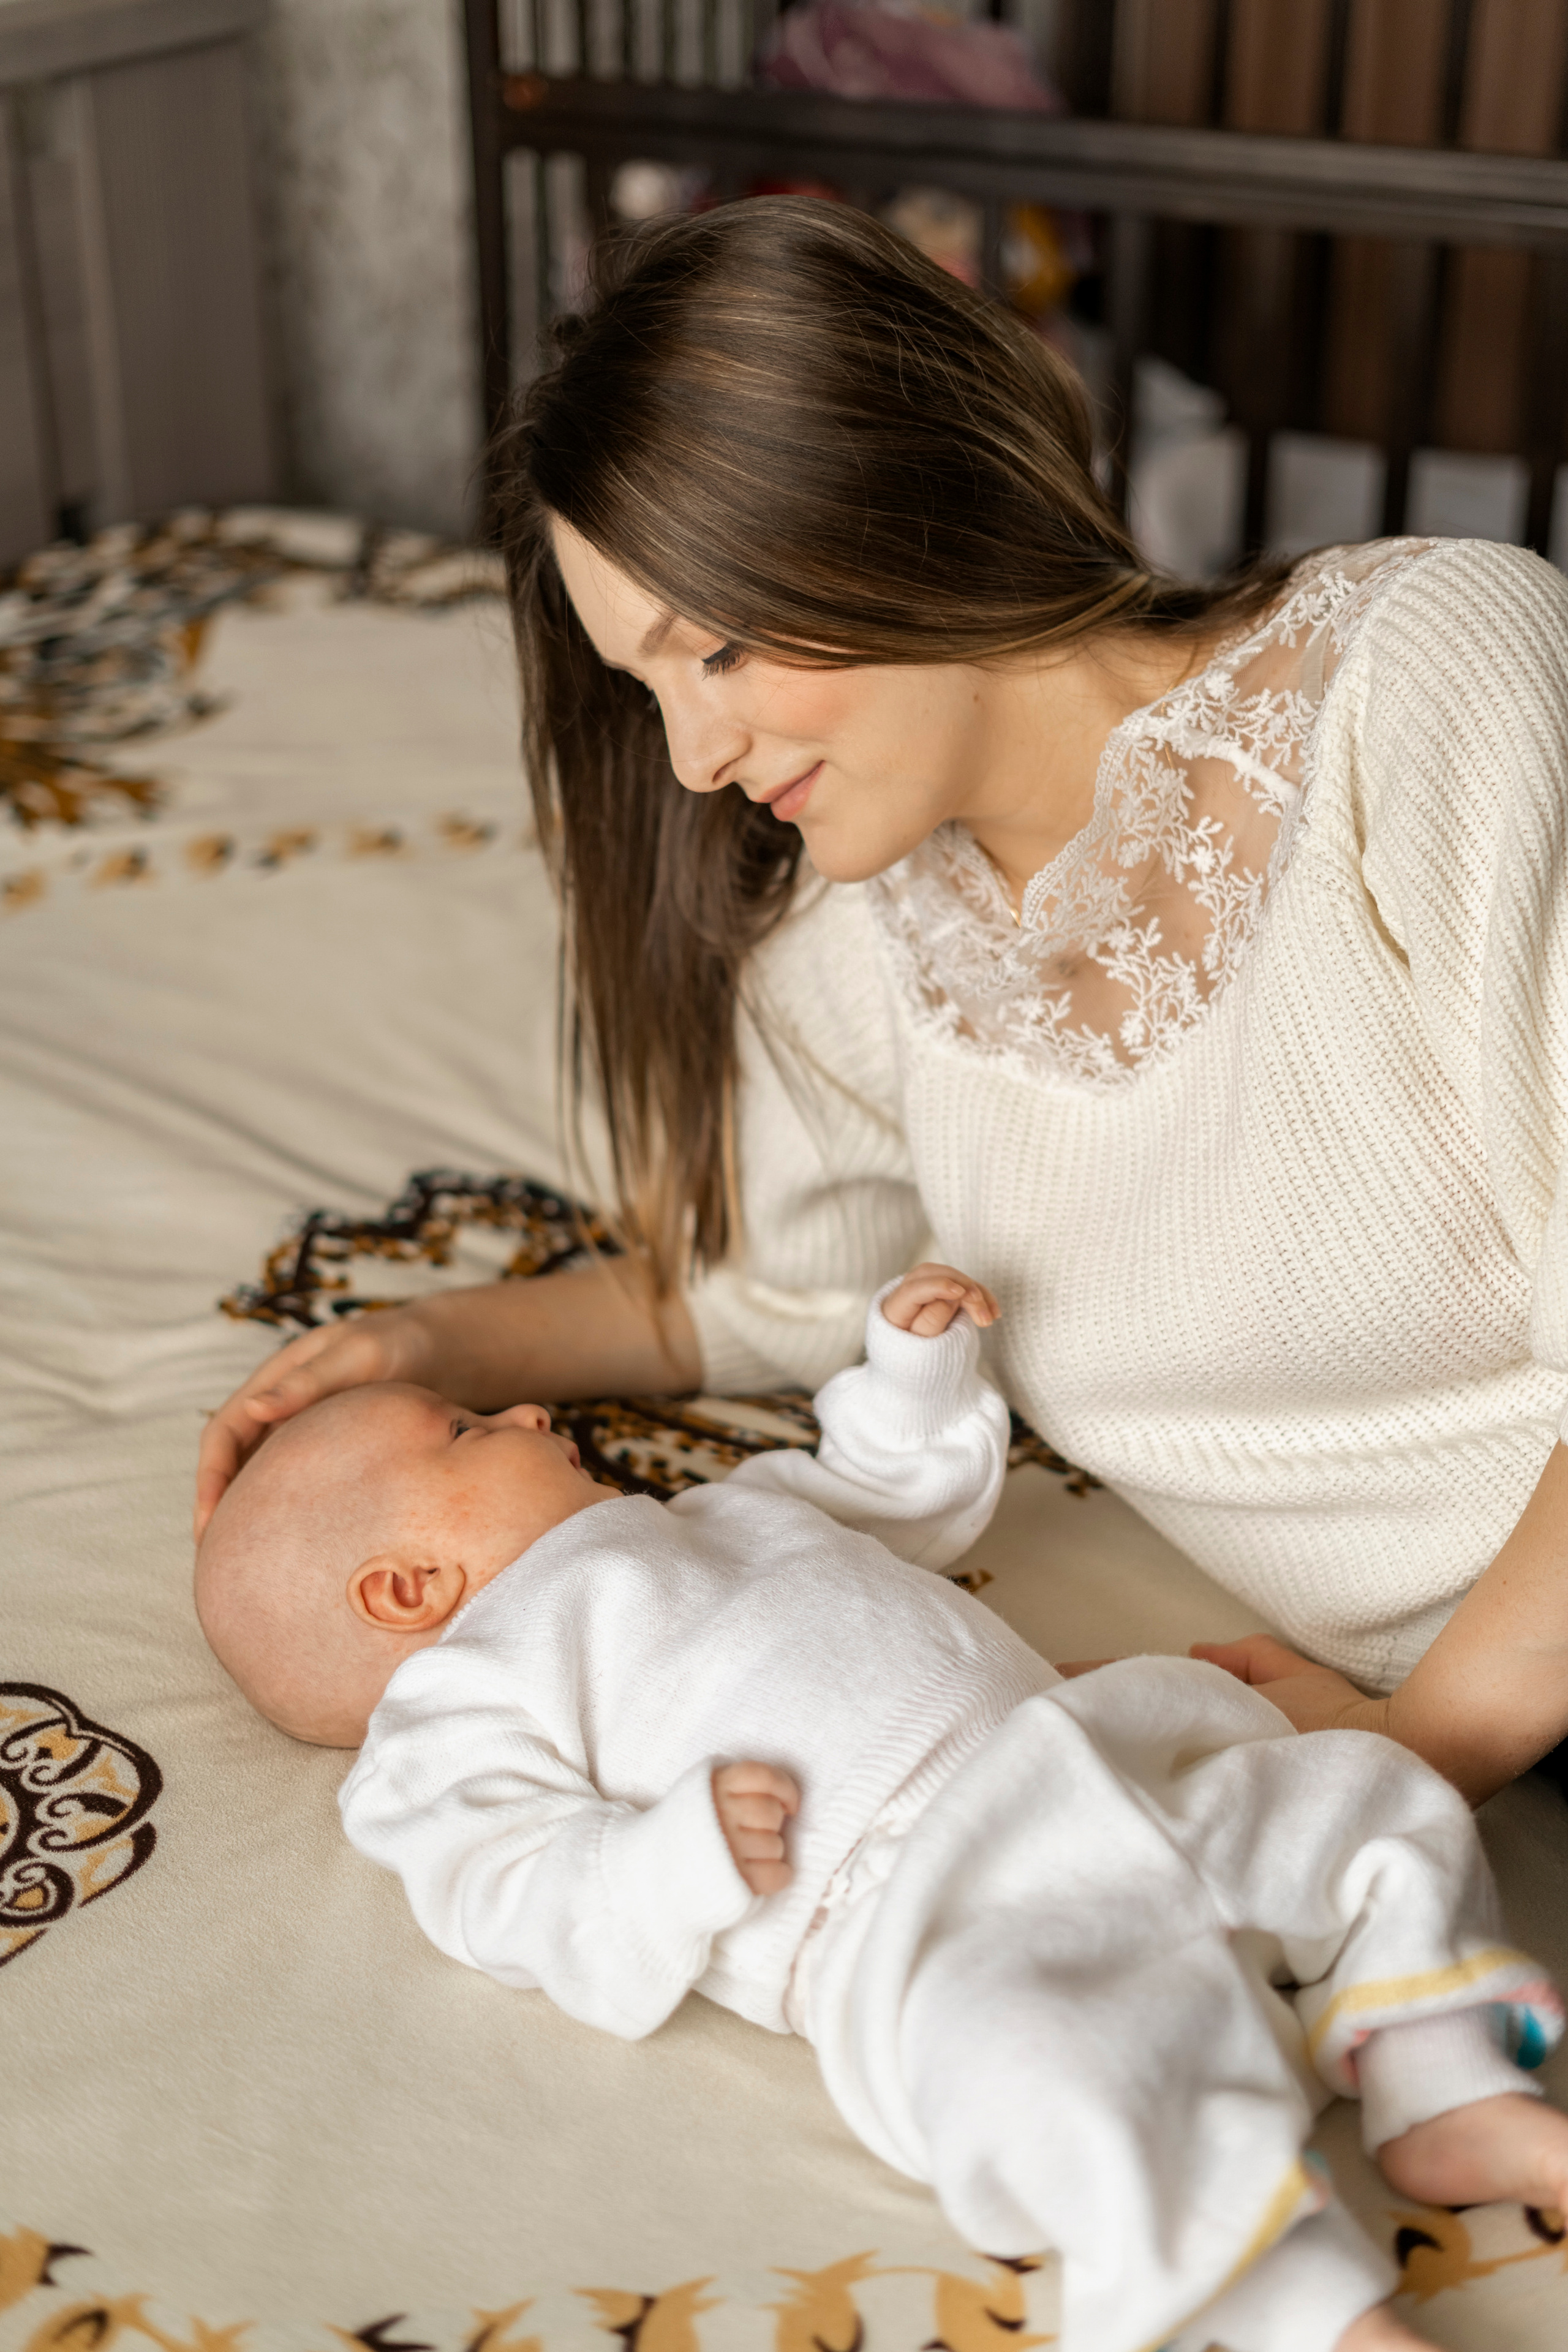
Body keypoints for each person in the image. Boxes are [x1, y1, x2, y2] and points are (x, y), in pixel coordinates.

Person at [195, 198, 1568, 1807]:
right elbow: (774, 1291)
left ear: (902, 504)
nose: (696, 760)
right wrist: (419, 1341)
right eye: (648, 695)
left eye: (711, 651)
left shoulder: (1421, 678)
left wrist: (1428, 1747)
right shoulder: (863, 924)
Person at [195, 1263, 1568, 2352]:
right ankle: (1297, 2310)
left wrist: (909, 1380)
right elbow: (503, 1888)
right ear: (405, 1592)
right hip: (915, 1917)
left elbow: (873, 1498)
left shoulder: (709, 1513)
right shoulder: (460, 1710)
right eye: (464, 1430)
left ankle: (1436, 2080)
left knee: (1368, 1793)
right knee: (1065, 2082)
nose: (529, 1414)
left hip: (1102, 1761)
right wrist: (661, 1864)